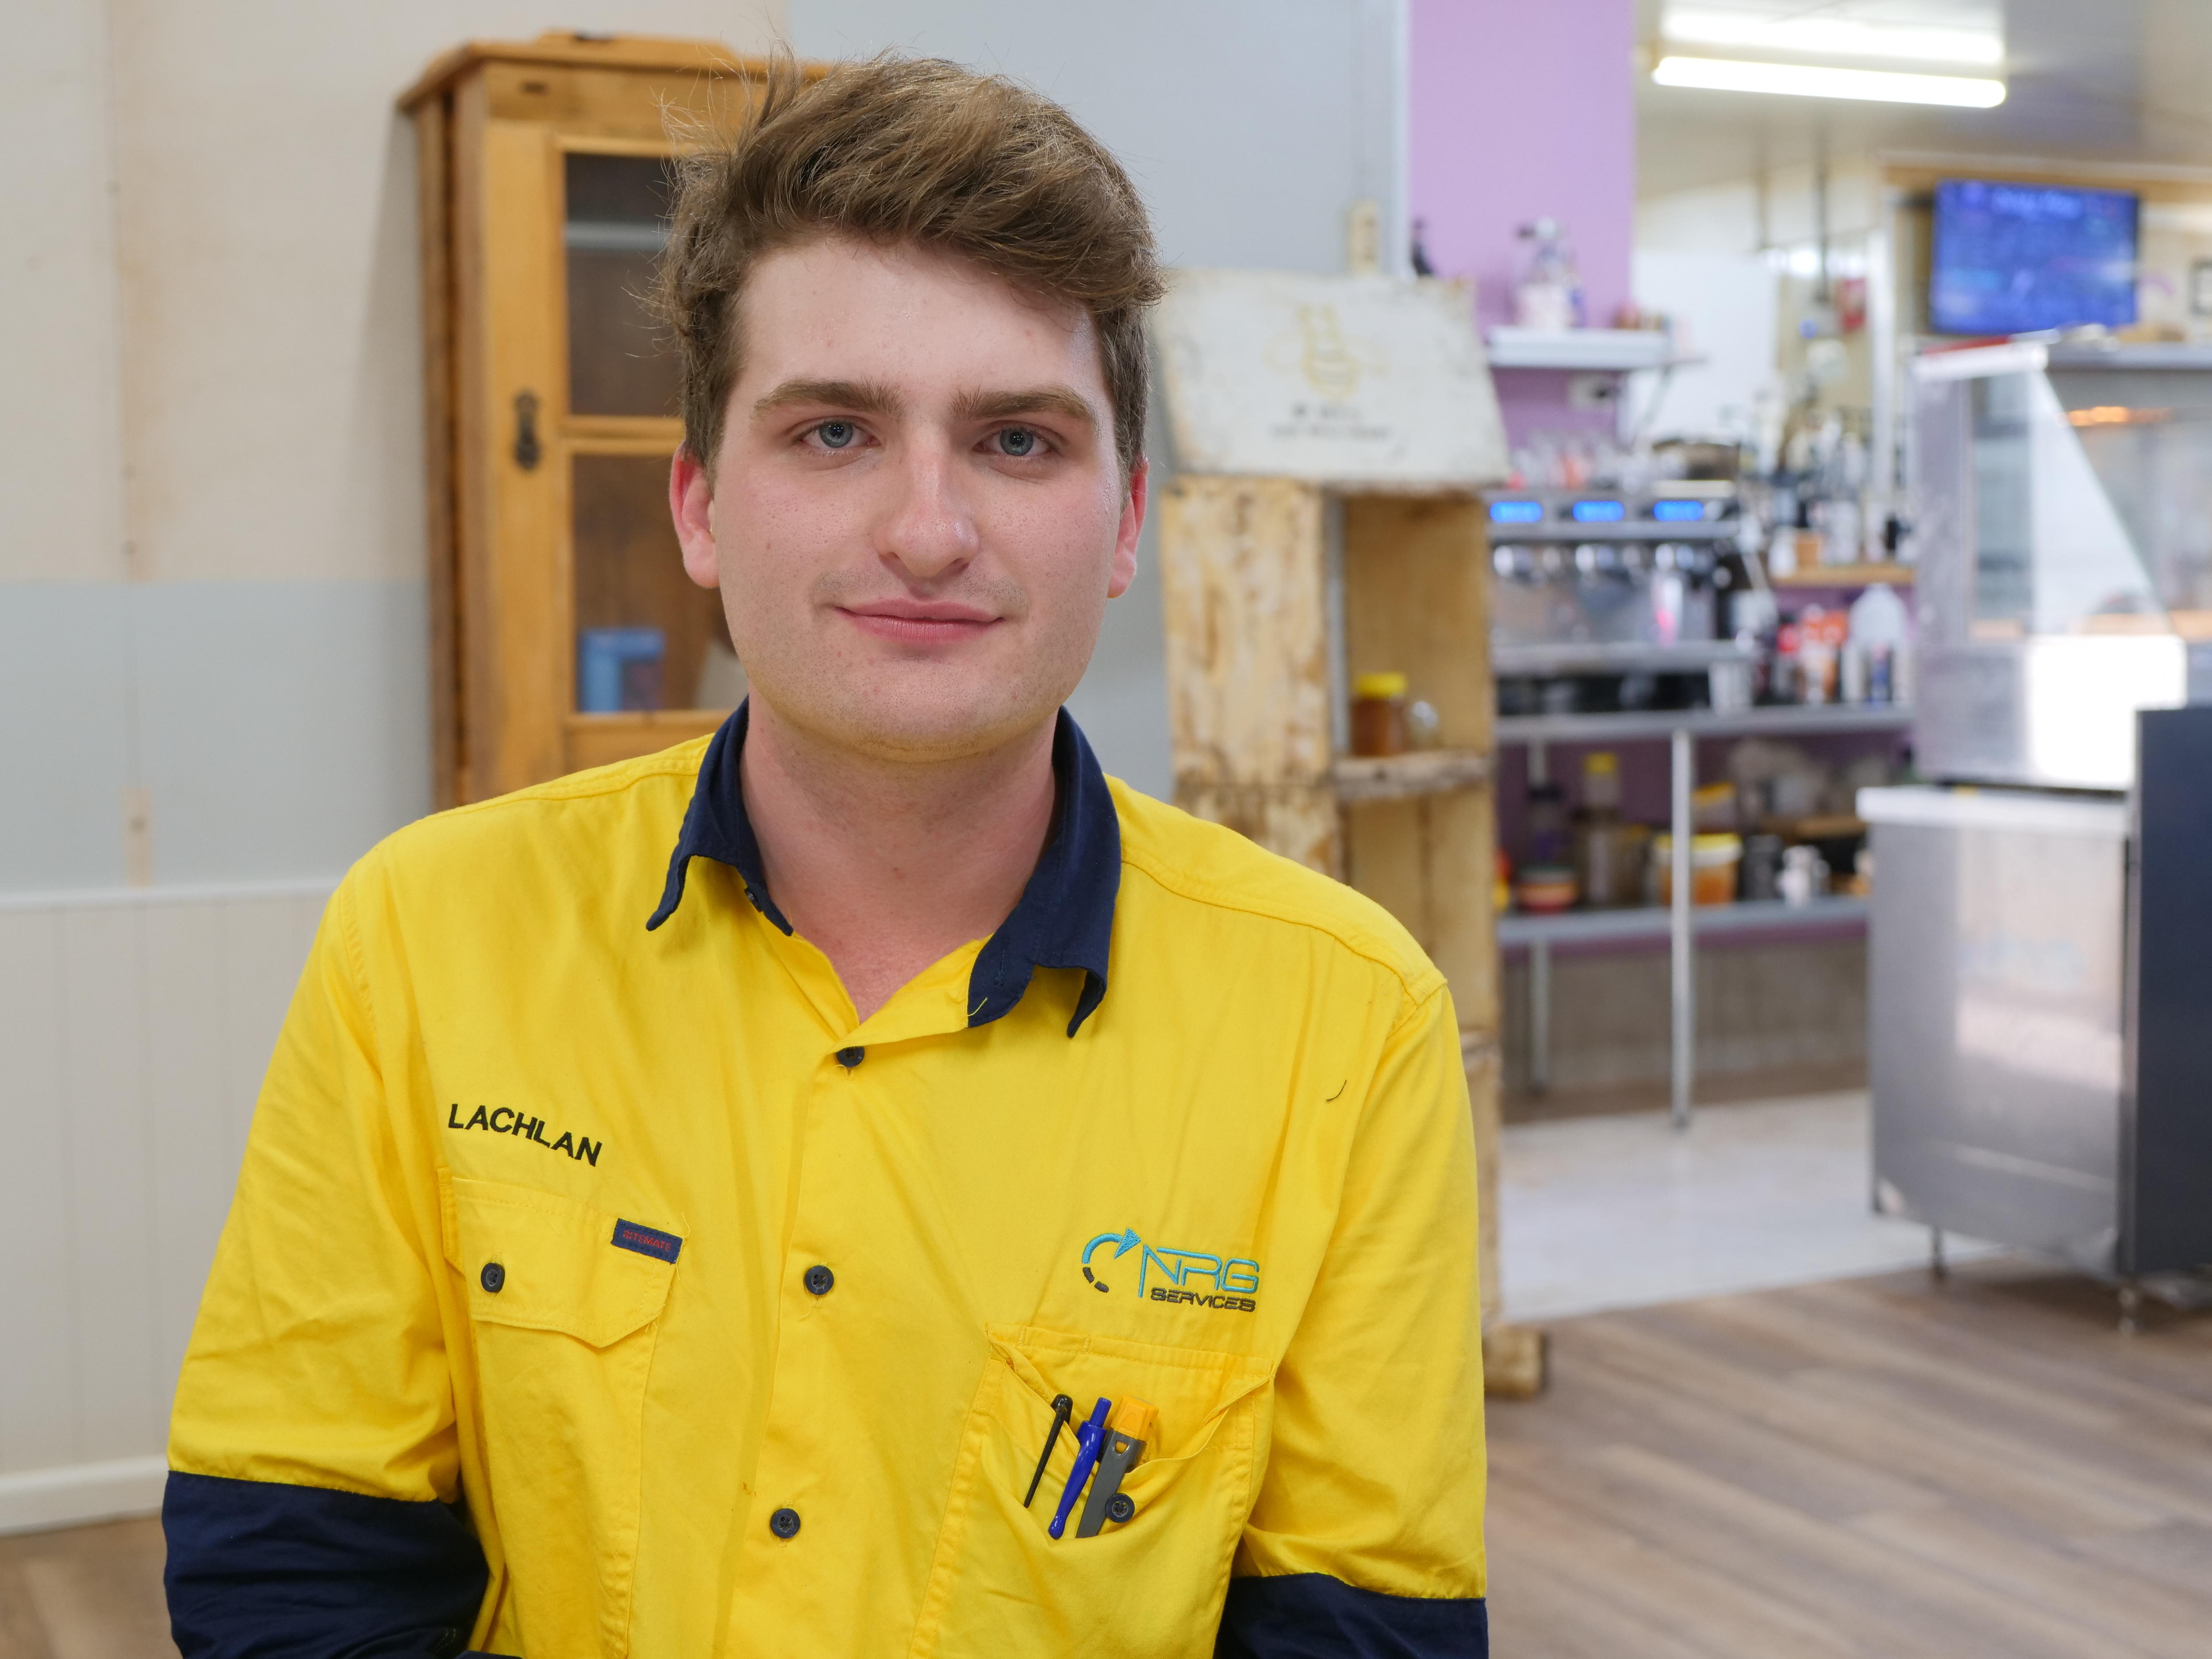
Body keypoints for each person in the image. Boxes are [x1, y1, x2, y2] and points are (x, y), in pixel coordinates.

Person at [163, 54, 1488, 1658]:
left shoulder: (1345, 1029)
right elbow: (298, 1567)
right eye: (838, 432)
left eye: (1016, 442)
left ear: (1127, 521)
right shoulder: (430, 935)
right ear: (704, 506)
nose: (929, 530)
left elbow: (1364, 1632)